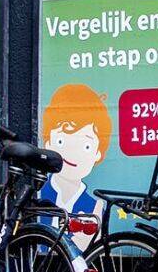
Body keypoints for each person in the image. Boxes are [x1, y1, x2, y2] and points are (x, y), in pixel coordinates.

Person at [36, 82, 108, 249]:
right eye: (61, 141)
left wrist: (86, 244)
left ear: (98, 153)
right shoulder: (38, 197)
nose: (72, 152)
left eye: (86, 146)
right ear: (47, 143)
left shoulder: (95, 207)